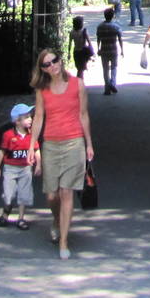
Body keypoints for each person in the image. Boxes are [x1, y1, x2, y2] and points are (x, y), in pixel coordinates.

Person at [29, 47, 94, 260]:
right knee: (51, 195)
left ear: (61, 60)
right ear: (43, 69)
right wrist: (32, 145)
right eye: (46, 64)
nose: (52, 66)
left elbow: (83, 114)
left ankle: (64, 240)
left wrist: (88, 144)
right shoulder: (42, 89)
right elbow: (38, 117)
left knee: (67, 191)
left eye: (54, 61)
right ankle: (57, 220)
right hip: (51, 144)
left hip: (74, 141)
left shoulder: (77, 84)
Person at [0, 103, 34, 229]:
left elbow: (36, 149)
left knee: (24, 194)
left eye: (30, 116)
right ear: (17, 121)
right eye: (26, 117)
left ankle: (21, 219)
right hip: (10, 168)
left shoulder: (32, 134)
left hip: (25, 168)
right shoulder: (9, 135)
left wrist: (38, 165)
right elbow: (2, 151)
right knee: (9, 194)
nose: (30, 119)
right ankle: (6, 213)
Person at [95, 6, 124, 95]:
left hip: (104, 49)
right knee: (114, 67)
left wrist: (98, 48)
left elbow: (98, 39)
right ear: (112, 16)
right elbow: (120, 39)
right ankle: (113, 83)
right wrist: (122, 50)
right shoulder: (116, 26)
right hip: (113, 50)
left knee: (105, 69)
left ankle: (107, 88)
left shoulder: (100, 27)